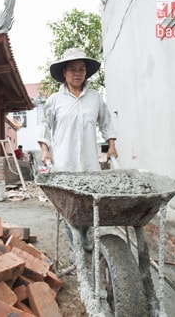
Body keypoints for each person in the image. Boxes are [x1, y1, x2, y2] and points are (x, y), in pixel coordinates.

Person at [37, 48, 118, 255]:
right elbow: (44, 124)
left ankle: (84, 235)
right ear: (64, 72)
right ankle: (75, 246)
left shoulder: (95, 98)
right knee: (69, 207)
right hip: (65, 162)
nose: (77, 73)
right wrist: (45, 150)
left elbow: (106, 122)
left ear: (86, 73)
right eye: (72, 69)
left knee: (89, 205)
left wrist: (112, 145)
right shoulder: (55, 100)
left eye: (81, 69)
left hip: (90, 163)